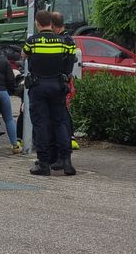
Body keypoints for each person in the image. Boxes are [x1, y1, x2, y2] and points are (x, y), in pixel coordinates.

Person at [23, 10, 76, 176]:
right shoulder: (63, 41)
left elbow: (24, 55)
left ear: (38, 23)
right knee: (60, 123)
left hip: (38, 86)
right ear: (51, 24)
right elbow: (71, 58)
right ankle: (66, 162)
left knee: (41, 124)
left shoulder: (32, 41)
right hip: (57, 85)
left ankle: (44, 164)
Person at [50, 11, 80, 164]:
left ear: (53, 26)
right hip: (64, 81)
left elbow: (64, 62)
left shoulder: (62, 40)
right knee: (62, 116)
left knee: (61, 118)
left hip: (59, 82)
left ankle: (62, 154)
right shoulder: (69, 40)